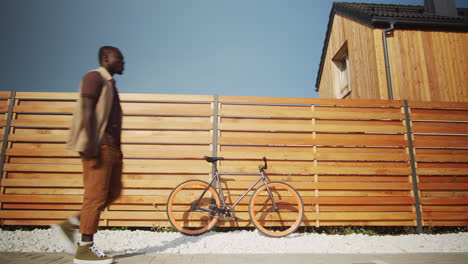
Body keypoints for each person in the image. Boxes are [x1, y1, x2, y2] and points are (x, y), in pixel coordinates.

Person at [52, 46, 125, 264]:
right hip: (98, 146)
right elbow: (86, 107)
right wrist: (92, 142)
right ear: (105, 58)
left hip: (111, 149)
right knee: (95, 196)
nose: (123, 63)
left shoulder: (110, 84)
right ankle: (85, 250)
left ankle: (71, 224)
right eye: (119, 59)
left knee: (113, 192)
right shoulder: (94, 77)